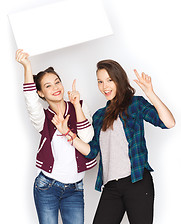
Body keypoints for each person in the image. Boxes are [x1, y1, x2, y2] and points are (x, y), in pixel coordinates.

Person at [52, 59, 175, 224]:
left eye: (109, 80)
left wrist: (150, 93)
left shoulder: (135, 104)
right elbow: (91, 152)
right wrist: (68, 133)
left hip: (137, 181)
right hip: (111, 187)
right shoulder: (99, 116)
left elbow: (169, 123)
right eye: (100, 82)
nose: (105, 86)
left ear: (119, 79)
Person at [15, 49, 97, 224]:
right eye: (48, 86)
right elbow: (30, 100)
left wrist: (76, 107)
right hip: (47, 187)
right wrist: (27, 67)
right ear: (41, 93)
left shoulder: (79, 105)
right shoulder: (42, 118)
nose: (55, 88)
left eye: (57, 82)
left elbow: (88, 138)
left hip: (75, 189)